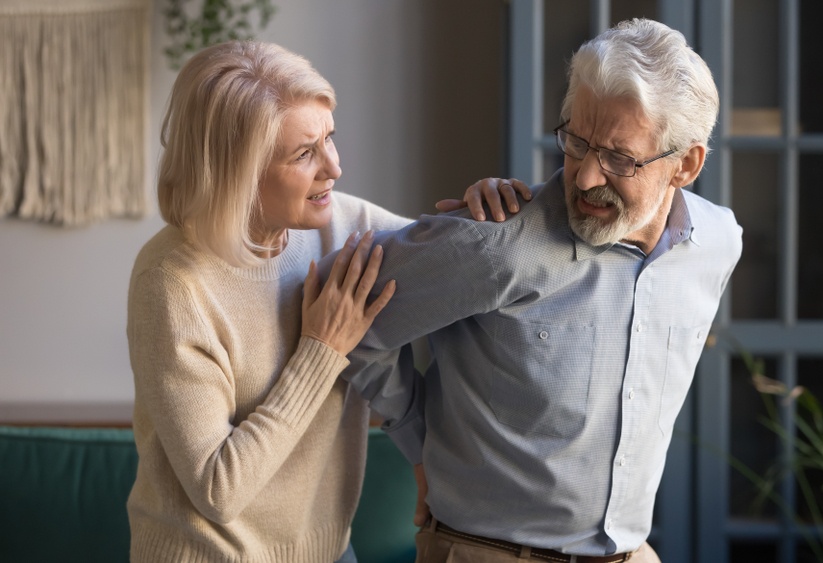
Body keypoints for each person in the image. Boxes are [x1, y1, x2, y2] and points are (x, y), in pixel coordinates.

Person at [334, 18, 743, 563]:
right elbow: (350, 316)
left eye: (620, 158)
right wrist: (421, 446)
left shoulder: (718, 242)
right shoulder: (497, 242)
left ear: (685, 165)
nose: (587, 178)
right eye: (577, 142)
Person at [125, 40, 527, 563]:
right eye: (304, 154)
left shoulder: (344, 224)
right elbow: (218, 490)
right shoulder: (172, 282)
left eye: (329, 139)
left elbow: (464, 267)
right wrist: (321, 348)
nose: (333, 168)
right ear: (238, 172)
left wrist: (495, 209)